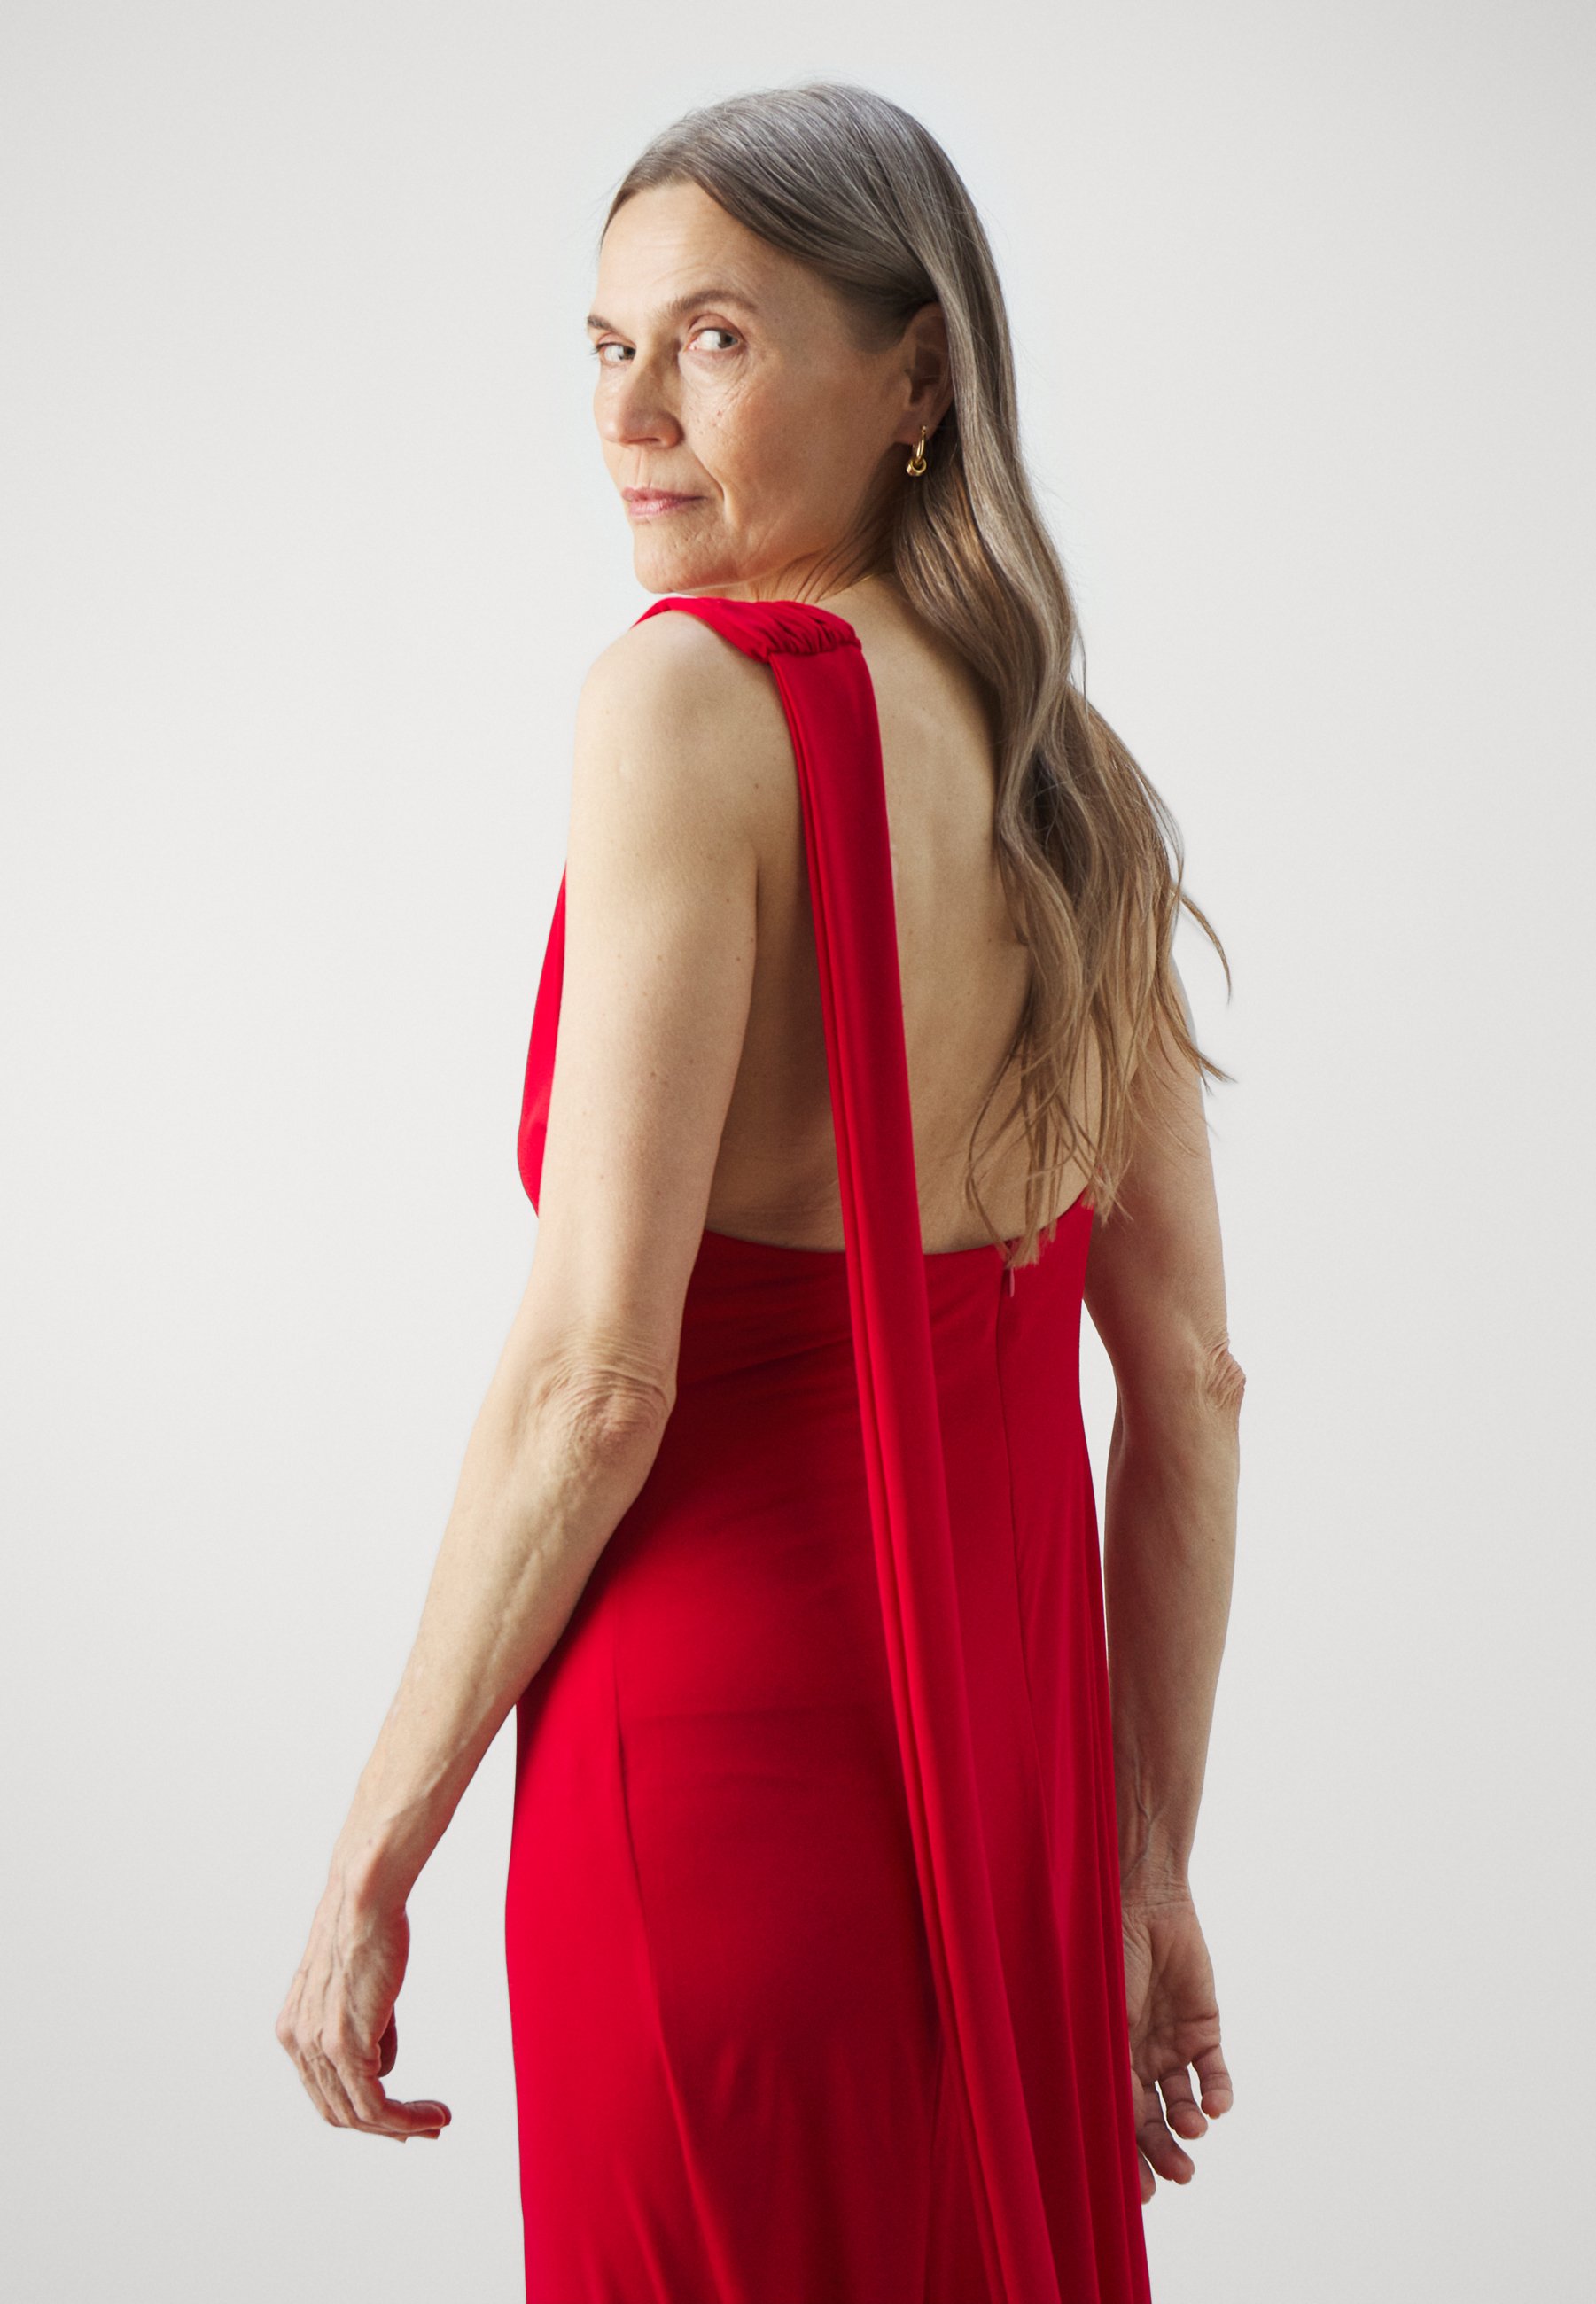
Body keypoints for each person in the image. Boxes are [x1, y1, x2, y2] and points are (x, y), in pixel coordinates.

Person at [276, 79, 1242, 2304]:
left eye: (711, 340)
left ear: (918, 375)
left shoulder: (686, 707)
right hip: (1010, 1822)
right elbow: (1190, 1386)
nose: (631, 414)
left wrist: (373, 1850)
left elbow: (593, 1386)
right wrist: (1141, 1864)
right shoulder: (1076, 783)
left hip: (711, 1798)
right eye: (605, 346)